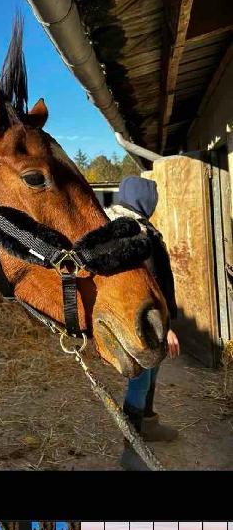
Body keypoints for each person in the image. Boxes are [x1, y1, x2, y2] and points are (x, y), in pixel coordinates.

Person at [105, 175, 180, 471]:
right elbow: (146, 286)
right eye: (152, 197)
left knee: (152, 371)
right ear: (143, 198)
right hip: (144, 320)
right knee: (139, 381)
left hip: (154, 318)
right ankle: (131, 449)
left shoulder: (136, 225)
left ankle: (147, 424)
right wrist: (167, 327)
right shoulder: (132, 232)